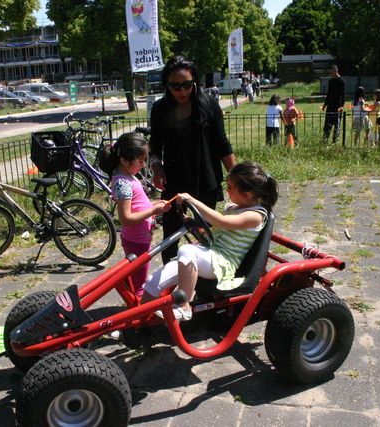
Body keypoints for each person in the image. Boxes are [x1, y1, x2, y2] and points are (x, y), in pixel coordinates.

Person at [140, 161, 278, 321]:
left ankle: (184, 307)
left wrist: (192, 200)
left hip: (224, 263)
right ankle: (136, 324)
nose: (227, 190)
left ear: (247, 194)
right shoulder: (234, 207)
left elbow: (222, 222)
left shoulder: (255, 216)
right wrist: (200, 228)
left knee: (187, 250)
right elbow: (221, 229)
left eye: (231, 187)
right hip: (212, 255)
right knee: (155, 280)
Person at [149, 55, 236, 263]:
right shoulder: (160, 109)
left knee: (204, 235)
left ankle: (202, 284)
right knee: (170, 237)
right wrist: (155, 167)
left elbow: (222, 143)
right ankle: (170, 284)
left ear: (194, 81)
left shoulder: (209, 105)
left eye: (187, 85)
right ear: (166, 84)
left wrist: (237, 179)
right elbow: (155, 144)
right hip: (173, 181)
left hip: (205, 179)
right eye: (175, 86)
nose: (182, 91)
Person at [99, 133, 171, 296]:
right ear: (124, 160)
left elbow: (138, 206)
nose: (144, 165)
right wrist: (153, 211)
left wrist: (154, 205)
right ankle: (139, 314)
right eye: (140, 161)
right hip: (136, 241)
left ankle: (126, 286)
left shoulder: (127, 176)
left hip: (140, 239)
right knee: (140, 285)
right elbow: (125, 219)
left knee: (136, 275)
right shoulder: (122, 182)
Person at [322, 65, 346, 144]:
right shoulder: (331, 81)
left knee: (336, 123)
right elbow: (328, 94)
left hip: (337, 105)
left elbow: (343, 95)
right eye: (330, 73)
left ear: (336, 71)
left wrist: (341, 105)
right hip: (330, 105)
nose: (331, 74)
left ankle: (335, 138)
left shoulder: (341, 81)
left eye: (332, 72)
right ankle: (325, 138)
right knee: (328, 122)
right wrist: (325, 105)